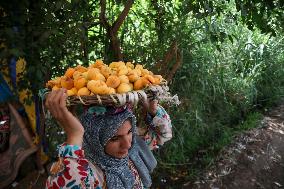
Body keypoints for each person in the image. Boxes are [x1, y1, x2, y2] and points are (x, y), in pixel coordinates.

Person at [45, 89, 172, 189]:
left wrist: (154, 111)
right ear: (94, 139)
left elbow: (163, 135)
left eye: (129, 132)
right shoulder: (90, 173)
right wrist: (74, 135)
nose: (127, 145)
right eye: (115, 138)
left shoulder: (134, 147)